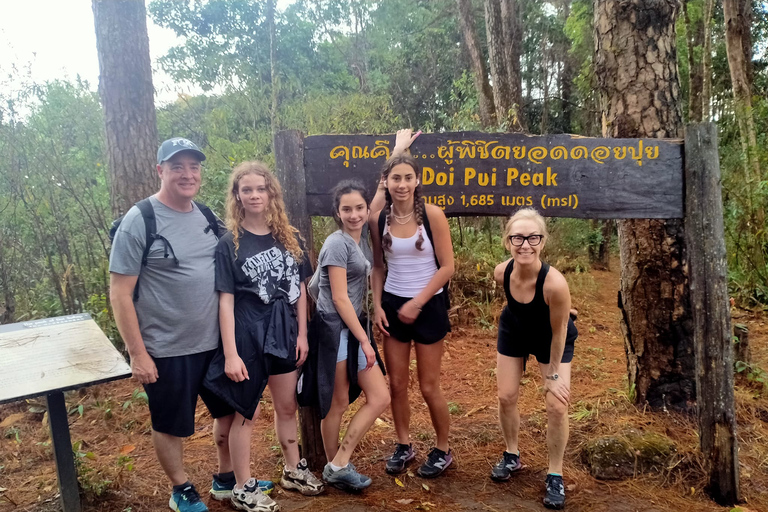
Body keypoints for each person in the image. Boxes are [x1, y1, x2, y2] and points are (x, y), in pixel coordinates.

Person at [110, 138, 244, 512]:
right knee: (170, 422)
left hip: (215, 343)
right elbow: (120, 293)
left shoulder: (204, 214)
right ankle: (180, 487)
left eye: (194, 167)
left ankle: (226, 478)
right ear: (160, 171)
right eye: (177, 167)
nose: (188, 174)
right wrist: (138, 353)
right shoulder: (141, 220)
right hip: (166, 347)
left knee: (230, 413)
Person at [203, 162, 324, 512]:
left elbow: (300, 290)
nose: (255, 195)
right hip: (248, 336)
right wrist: (230, 353)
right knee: (246, 412)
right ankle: (243, 486)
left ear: (271, 192)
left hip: (285, 332)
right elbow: (225, 301)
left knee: (287, 406)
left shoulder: (290, 236)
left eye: (261, 189)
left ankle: (292, 469)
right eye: (247, 190)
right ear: (237, 196)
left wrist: (302, 334)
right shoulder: (229, 244)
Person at [369, 131, 455, 479]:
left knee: (429, 385)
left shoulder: (432, 215)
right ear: (386, 182)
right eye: (395, 178)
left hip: (428, 305)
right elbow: (377, 265)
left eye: (407, 178)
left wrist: (418, 303)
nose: (401, 184)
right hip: (393, 304)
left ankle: (443, 448)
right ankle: (404, 444)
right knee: (397, 385)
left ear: (417, 181)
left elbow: (448, 266)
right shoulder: (380, 219)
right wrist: (377, 306)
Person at [303, 180, 391, 492]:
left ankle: (337, 463)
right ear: (337, 213)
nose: (353, 214)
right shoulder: (336, 244)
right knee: (337, 402)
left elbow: (379, 197)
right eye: (346, 209)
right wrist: (366, 342)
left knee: (380, 397)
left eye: (359, 208)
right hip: (334, 329)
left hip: (353, 328)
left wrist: (397, 152)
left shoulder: (362, 237)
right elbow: (339, 298)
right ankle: (336, 466)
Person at [491, 208, 577, 510]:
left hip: (551, 337)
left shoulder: (555, 283)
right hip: (514, 329)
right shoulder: (501, 272)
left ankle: (555, 473)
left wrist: (552, 375)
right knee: (506, 396)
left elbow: (559, 331)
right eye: (517, 237)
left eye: (532, 238)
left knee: (556, 405)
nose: (525, 244)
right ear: (507, 241)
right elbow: (515, 306)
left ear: (543, 241)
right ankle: (512, 454)